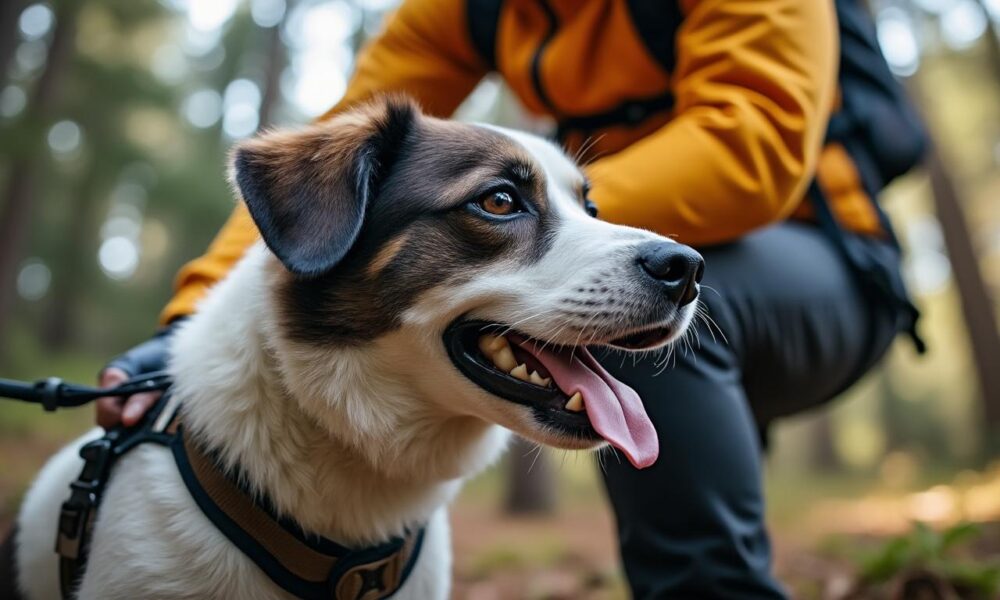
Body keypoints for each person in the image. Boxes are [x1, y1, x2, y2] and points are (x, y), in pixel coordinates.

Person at [97, 0, 926, 596]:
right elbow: (332, 186)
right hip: (603, 253)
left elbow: (754, 147)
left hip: (828, 265)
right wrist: (183, 326)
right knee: (615, 296)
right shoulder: (465, 9)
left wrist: (542, 225)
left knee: (650, 297)